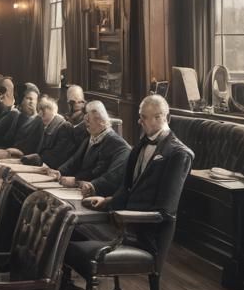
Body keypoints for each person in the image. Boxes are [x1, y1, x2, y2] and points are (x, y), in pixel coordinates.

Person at [83, 94, 194, 254]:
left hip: (145, 234)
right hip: (124, 221)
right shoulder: (140, 145)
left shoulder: (179, 154)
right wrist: (107, 201)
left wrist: (123, 216)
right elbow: (128, 188)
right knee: (75, 228)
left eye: (143, 117)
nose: (138, 121)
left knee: (77, 230)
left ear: (161, 118)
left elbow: (165, 211)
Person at [47, 100, 130, 197]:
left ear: (100, 120)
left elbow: (102, 174)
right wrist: (60, 172)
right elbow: (74, 160)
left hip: (97, 194)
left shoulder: (117, 144)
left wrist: (76, 181)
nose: (85, 123)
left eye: (88, 119)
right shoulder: (91, 136)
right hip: (78, 190)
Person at [21, 96, 81, 168]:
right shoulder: (44, 126)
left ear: (53, 110)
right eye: (39, 109)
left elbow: (59, 155)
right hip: (42, 165)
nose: (40, 113)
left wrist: (39, 159)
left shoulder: (64, 127)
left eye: (43, 109)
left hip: (55, 169)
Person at [0, 83, 44, 155]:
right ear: (20, 100)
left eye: (34, 99)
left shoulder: (38, 122)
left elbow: (35, 150)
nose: (31, 102)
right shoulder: (15, 116)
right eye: (28, 98)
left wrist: (21, 153)